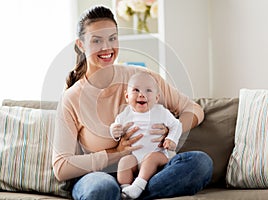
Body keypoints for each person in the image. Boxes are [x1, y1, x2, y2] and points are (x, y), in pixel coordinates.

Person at [52, 5, 213, 200]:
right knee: (102, 189)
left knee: (200, 163)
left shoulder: (140, 79)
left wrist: (171, 132)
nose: (107, 47)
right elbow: (61, 167)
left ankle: (133, 191)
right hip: (101, 176)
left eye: (112, 38)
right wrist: (116, 152)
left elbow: (193, 109)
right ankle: (129, 193)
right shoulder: (71, 99)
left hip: (150, 172)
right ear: (80, 44)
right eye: (96, 40)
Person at [110, 72, 182, 199]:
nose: (142, 94)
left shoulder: (161, 112)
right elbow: (116, 127)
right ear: (127, 96)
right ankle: (126, 190)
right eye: (136, 90)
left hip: (159, 158)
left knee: (151, 158)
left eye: (148, 90)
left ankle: (138, 185)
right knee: (124, 162)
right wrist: (115, 132)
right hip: (135, 159)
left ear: (156, 97)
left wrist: (171, 139)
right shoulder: (125, 114)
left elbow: (177, 125)